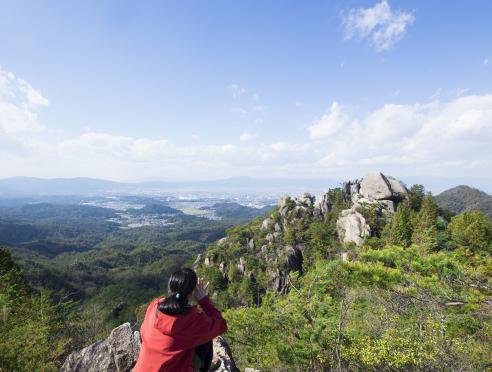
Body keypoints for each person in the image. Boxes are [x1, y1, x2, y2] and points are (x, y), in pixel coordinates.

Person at [133, 268, 227, 372]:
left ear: (170, 287)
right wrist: (203, 300)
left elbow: (143, 334)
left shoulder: (155, 306)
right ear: (192, 293)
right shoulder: (192, 320)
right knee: (206, 340)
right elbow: (221, 325)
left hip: (141, 369)